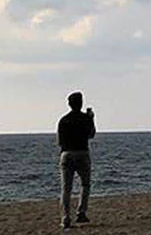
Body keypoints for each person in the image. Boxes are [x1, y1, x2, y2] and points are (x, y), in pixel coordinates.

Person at [57, 92, 96, 230]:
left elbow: (60, 142)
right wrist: (91, 119)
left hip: (66, 153)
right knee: (85, 184)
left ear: (69, 104)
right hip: (82, 153)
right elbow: (91, 134)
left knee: (66, 189)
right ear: (81, 103)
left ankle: (65, 218)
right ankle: (81, 213)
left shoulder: (63, 120)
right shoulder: (85, 119)